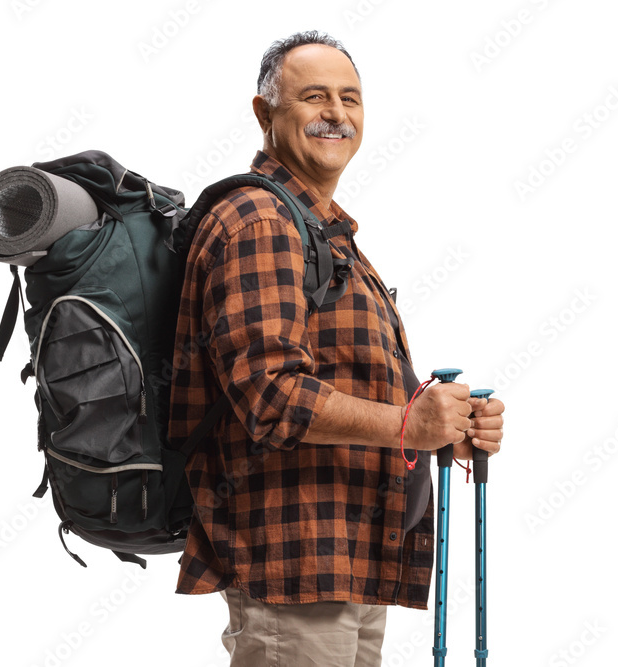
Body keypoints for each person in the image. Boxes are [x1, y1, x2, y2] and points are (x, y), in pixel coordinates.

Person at [168, 30, 505, 666]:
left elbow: (351, 381)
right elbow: (271, 397)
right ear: (265, 114)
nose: (337, 114)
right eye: (314, 97)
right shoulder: (258, 220)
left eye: (350, 99)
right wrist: (411, 423)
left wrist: (444, 425)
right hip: (293, 561)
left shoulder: (324, 230)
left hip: (344, 552)